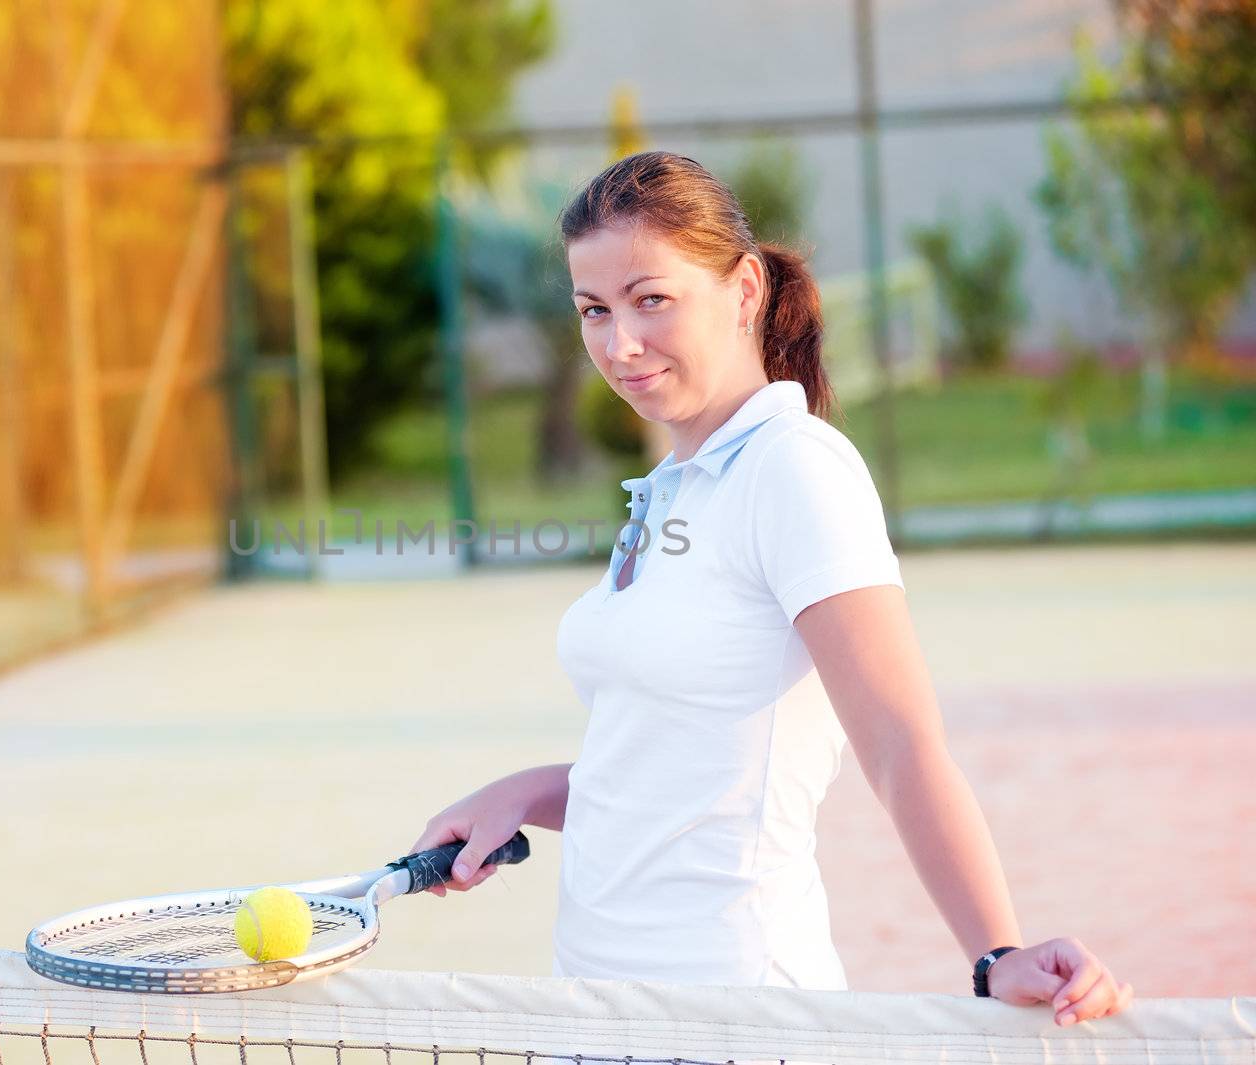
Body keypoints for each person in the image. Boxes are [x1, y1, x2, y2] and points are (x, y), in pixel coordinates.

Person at [408, 150, 1133, 1027]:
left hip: (738, 1018)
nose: (618, 343)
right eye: (593, 310)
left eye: (652, 299)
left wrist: (995, 952)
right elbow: (671, 764)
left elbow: (900, 742)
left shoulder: (796, 470)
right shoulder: (670, 489)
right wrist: (522, 792)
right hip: (598, 1009)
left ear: (745, 289)